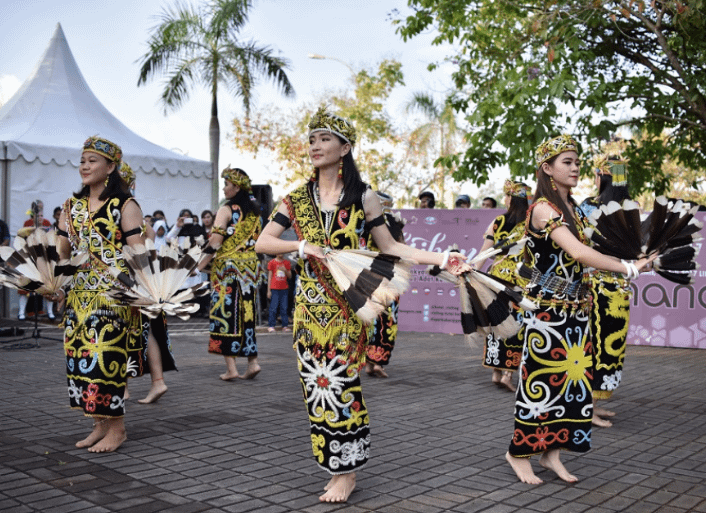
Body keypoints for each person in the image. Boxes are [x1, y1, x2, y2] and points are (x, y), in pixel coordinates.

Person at [255, 107, 466, 503]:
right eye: (313, 139)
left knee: (340, 382)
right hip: (307, 308)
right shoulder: (296, 198)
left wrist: (441, 259)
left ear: (345, 148)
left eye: (325, 139)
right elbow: (263, 242)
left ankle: (347, 470)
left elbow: (391, 247)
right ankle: (334, 462)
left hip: (347, 307)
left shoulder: (363, 197)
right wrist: (300, 245)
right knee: (314, 387)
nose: (316, 145)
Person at [505, 135, 654, 485]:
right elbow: (580, 254)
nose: (575, 167)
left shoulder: (574, 207)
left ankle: (551, 454)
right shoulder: (544, 208)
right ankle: (517, 452)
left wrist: (634, 259)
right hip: (547, 313)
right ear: (547, 169)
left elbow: (596, 255)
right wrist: (631, 268)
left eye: (576, 161)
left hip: (578, 312)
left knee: (571, 387)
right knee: (539, 383)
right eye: (567, 162)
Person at [53, 136, 147, 453]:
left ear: (110, 167)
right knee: (80, 362)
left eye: (92, 160)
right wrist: (57, 286)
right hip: (79, 297)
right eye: (82, 160)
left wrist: (147, 289)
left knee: (105, 360)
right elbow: (63, 254)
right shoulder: (70, 208)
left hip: (114, 295)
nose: (85, 165)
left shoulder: (125, 205)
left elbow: (138, 252)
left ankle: (117, 429)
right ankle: (98, 425)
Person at [579, 157, 632, 427]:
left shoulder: (589, 206)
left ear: (602, 179)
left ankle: (593, 405)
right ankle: (587, 408)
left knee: (605, 345)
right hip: (610, 287)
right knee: (601, 345)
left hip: (604, 285)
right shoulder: (629, 209)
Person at [199, 167, 264, 381]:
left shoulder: (226, 210)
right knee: (247, 316)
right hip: (250, 273)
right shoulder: (256, 213)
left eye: (226, 184)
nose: (225, 189)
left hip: (226, 272)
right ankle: (252, 362)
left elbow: (215, 242)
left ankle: (231, 368)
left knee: (224, 315)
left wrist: (198, 264)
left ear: (236, 187)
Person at [474, 180, 531, 392]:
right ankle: (507, 373)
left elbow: (484, 251)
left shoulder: (498, 221)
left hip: (496, 278)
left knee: (496, 324)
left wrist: (474, 272)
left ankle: (496, 373)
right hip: (518, 279)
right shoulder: (529, 222)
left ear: (509, 198)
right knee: (515, 326)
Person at [364, 191, 406, 378]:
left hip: (368, 275)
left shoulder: (364, 222)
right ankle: (377, 361)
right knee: (387, 320)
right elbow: (401, 248)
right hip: (388, 276)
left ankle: (369, 362)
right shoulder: (395, 223)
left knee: (370, 318)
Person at [267, 254, 292, 332]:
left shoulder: (287, 262)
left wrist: (285, 270)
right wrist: (268, 290)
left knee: (284, 308)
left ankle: (285, 326)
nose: (281, 254)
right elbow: (270, 276)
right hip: (274, 288)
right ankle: (271, 325)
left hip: (284, 288)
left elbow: (290, 276)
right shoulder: (272, 262)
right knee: (273, 308)